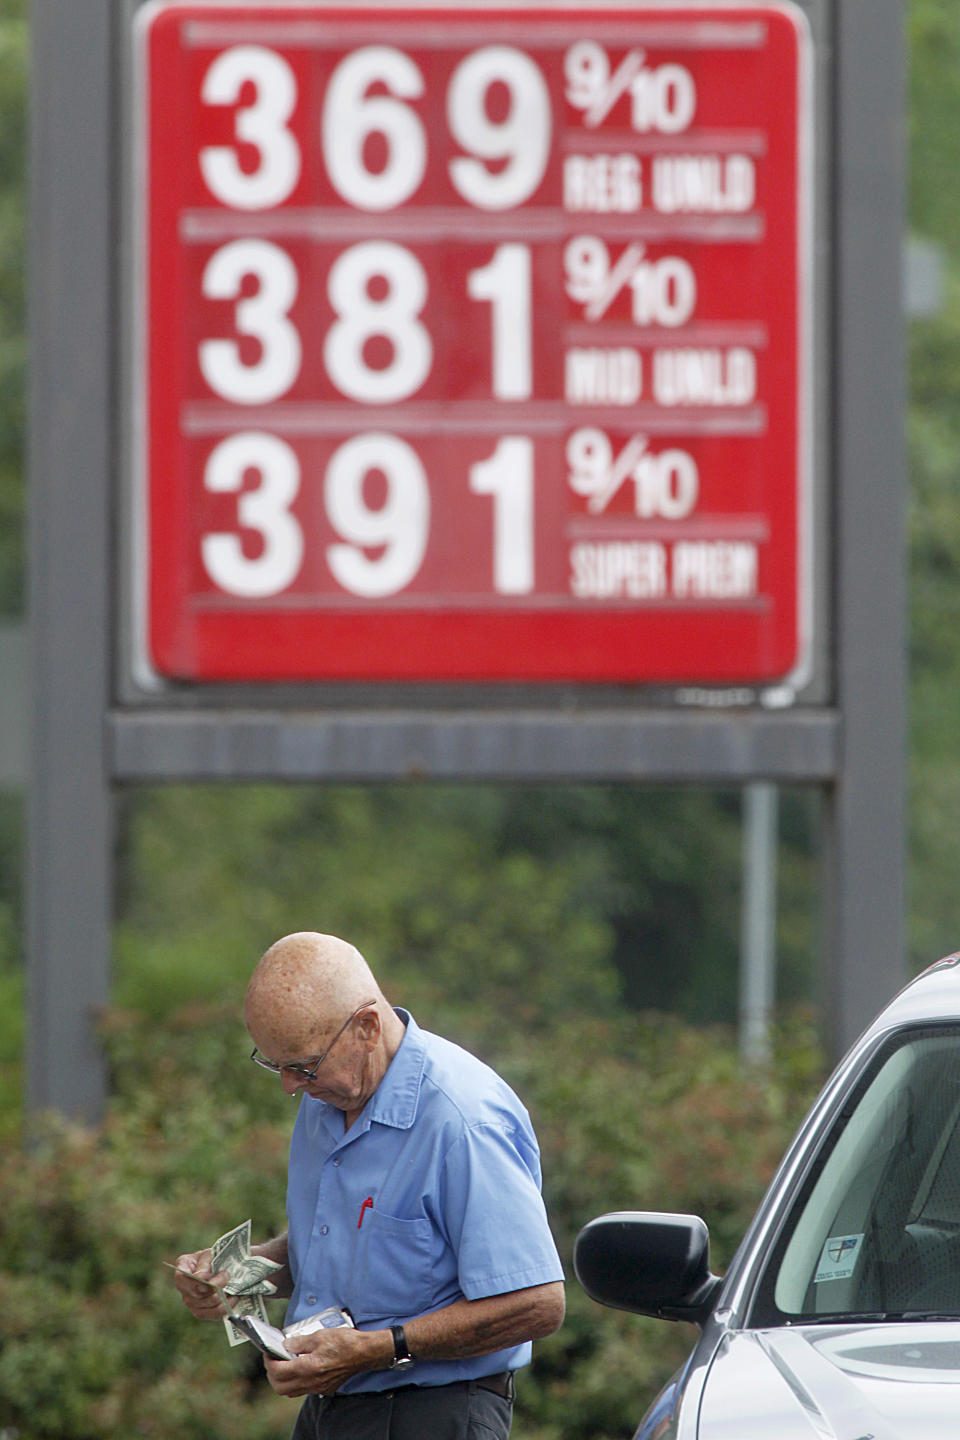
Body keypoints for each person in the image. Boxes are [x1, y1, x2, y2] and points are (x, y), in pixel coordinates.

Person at [174, 931, 566, 1440]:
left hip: (436, 1414)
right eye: (274, 1064)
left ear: (367, 1026)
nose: (290, 1086)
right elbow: (335, 1251)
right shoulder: (325, 1100)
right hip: (332, 1409)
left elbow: (538, 1302)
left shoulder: (463, 1119)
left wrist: (379, 1348)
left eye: (302, 1065)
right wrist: (237, 1275)